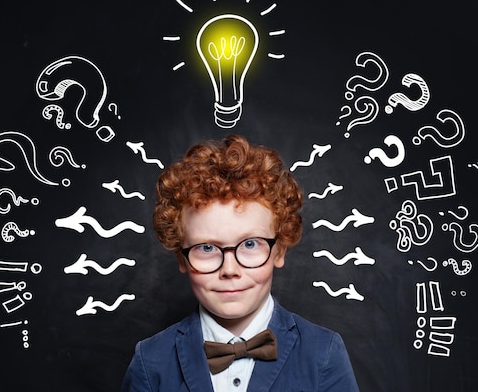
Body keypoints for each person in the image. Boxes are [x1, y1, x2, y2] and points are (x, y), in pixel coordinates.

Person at [121, 134, 359, 391]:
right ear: (182, 256)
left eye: (250, 244)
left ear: (279, 251)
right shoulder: (150, 361)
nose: (230, 270)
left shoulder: (324, 353)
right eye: (207, 247)